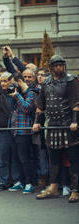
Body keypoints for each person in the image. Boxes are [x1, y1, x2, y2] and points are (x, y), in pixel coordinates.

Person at [33, 55, 79, 203]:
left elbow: (75, 104)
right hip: (53, 125)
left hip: (68, 126)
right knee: (54, 159)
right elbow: (40, 106)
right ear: (51, 67)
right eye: (56, 65)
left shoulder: (71, 81)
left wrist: (74, 122)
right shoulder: (46, 82)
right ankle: (53, 188)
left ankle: (75, 190)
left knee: (73, 159)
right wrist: (36, 122)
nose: (59, 67)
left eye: (61, 65)